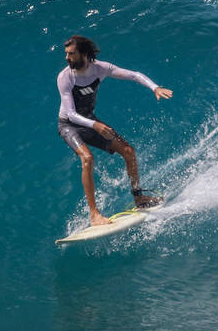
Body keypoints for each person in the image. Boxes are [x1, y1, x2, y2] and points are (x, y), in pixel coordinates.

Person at [57, 35, 173, 226]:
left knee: (128, 152)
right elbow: (70, 113)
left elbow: (134, 75)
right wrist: (95, 125)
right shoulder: (65, 77)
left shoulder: (100, 69)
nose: (67, 58)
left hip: (91, 121)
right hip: (68, 125)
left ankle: (139, 198)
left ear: (84, 54)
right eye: (66, 54)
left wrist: (154, 87)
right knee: (87, 159)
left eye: (71, 54)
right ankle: (94, 215)